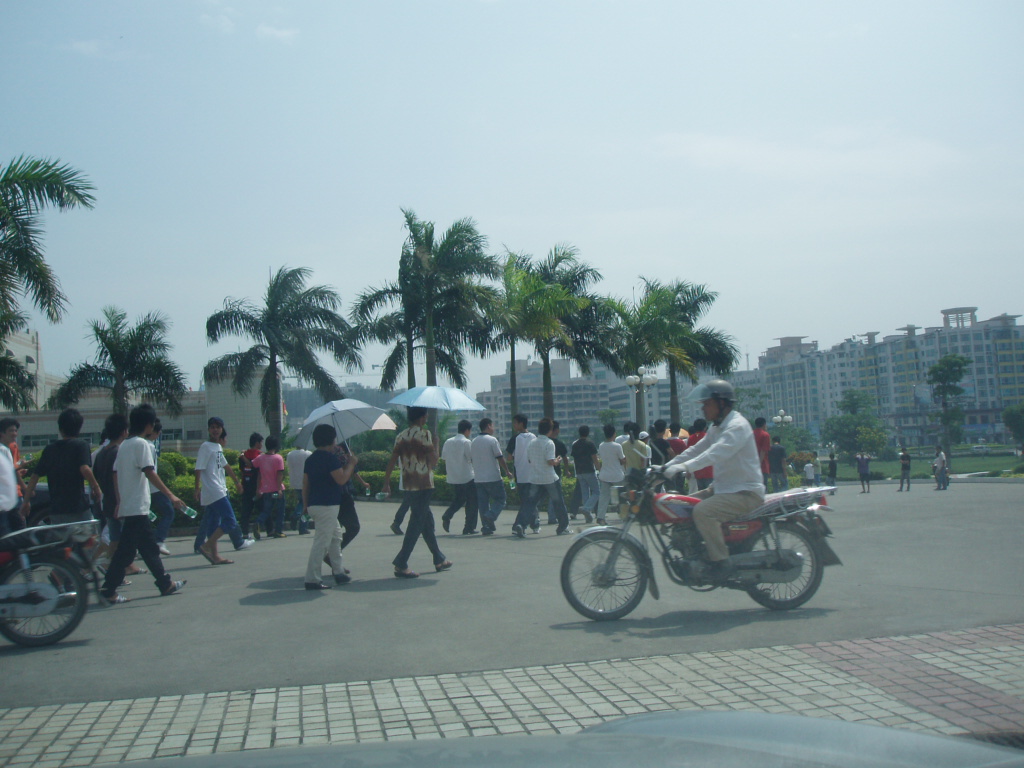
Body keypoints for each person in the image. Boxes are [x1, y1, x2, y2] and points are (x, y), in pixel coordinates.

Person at [660, 380, 765, 583]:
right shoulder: (717, 427)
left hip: (745, 493)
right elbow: (697, 449)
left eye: (707, 404)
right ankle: (699, 552)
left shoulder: (736, 426)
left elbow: (715, 453)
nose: (703, 409)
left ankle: (721, 562)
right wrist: (667, 466)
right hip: (722, 489)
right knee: (681, 505)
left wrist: (683, 467)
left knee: (703, 511)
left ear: (722, 403)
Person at [100, 404, 187, 603]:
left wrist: (119, 501)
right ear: (148, 424)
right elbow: (149, 471)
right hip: (137, 507)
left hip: (130, 505)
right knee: (128, 553)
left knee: (144, 549)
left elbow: (115, 474)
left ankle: (164, 583)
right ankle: (108, 590)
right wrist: (171, 495)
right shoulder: (141, 444)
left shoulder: (124, 445)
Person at [383, 407, 451, 578]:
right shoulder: (424, 434)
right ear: (422, 417)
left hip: (409, 484)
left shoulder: (401, 436)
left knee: (425, 522)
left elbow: (392, 460)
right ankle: (401, 563)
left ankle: (439, 558)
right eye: (426, 415)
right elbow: (434, 461)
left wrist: (386, 483)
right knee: (416, 524)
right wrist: (436, 443)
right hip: (424, 484)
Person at [301, 424, 357, 590]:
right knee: (322, 542)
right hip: (327, 505)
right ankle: (312, 578)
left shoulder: (310, 459)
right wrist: (351, 464)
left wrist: (305, 504)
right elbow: (341, 479)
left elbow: (305, 484)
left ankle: (338, 571)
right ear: (332, 439)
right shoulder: (330, 458)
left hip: (315, 504)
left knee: (335, 537)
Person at [25, 408, 101, 523]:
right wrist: (96, 487)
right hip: (78, 507)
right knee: (86, 534)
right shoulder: (81, 445)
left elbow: (35, 476)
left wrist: (26, 501)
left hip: (57, 509)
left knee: (60, 534)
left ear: (60, 429)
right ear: (79, 428)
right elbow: (84, 469)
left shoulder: (49, 449)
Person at [194, 417, 250, 564]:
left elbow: (225, 466)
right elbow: (198, 468)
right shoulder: (205, 447)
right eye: (212, 427)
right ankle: (206, 546)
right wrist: (197, 488)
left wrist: (237, 482)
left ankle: (215, 556)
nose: (215, 430)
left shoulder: (217, 447)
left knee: (213, 523)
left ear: (222, 429)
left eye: (218, 427)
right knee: (230, 520)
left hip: (218, 489)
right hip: (214, 490)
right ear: (208, 429)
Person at [512, 418, 570, 537]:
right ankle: (562, 527)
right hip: (549, 478)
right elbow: (550, 461)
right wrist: (557, 461)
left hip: (535, 478)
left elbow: (529, 460)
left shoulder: (532, 442)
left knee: (530, 503)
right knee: (558, 503)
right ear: (550, 430)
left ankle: (521, 525)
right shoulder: (549, 443)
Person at [471, 418, 511, 535]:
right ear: (488, 426)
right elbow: (500, 457)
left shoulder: (474, 441)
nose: (493, 428)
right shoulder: (492, 440)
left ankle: (486, 527)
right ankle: (491, 516)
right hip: (493, 477)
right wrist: (507, 471)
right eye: (493, 426)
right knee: (501, 499)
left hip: (478, 478)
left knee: (483, 504)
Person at [440, 420, 478, 535]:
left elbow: (444, 458)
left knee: (459, 499)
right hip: (467, 476)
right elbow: (471, 458)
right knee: (472, 502)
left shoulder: (448, 441)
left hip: (454, 476)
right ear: (467, 430)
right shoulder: (466, 442)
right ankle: (469, 527)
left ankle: (447, 515)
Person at [148, 419, 175, 556]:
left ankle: (143, 545)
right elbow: (150, 471)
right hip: (152, 488)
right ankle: (158, 541)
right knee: (168, 512)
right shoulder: (150, 446)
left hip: (145, 489)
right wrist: (169, 493)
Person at [506, 415, 538, 533]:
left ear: (521, 424)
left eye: (515, 423)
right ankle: (535, 524)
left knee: (526, 501)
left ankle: (519, 525)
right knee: (531, 501)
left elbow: (509, 457)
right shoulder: (534, 437)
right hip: (533, 474)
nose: (514, 425)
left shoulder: (515, 438)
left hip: (520, 475)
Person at [253, 435, 287, 538]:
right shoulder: (278, 458)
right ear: (276, 445)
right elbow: (279, 474)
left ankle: (258, 522)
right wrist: (279, 489)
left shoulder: (260, 458)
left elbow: (256, 469)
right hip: (276, 491)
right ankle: (278, 531)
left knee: (267, 510)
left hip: (266, 490)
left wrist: (258, 488)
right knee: (280, 511)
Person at [596, 424, 625, 525]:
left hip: (605, 475)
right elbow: (622, 460)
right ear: (614, 434)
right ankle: (624, 515)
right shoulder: (617, 446)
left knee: (604, 498)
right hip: (617, 475)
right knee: (622, 497)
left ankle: (600, 517)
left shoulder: (601, 445)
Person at [570, 425, 599, 524]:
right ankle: (586, 508)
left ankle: (588, 517)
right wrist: (599, 468)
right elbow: (594, 458)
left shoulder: (575, 444)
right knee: (596, 492)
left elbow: (574, 458)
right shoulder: (590, 443)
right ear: (588, 433)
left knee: (585, 493)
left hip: (579, 472)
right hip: (589, 470)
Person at [239, 432, 263, 539]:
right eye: (261, 442)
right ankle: (270, 529)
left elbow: (241, 470)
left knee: (245, 511)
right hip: (256, 486)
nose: (261, 445)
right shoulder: (260, 455)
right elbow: (260, 472)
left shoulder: (243, 455)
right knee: (263, 509)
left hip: (245, 485)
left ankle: (244, 532)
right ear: (257, 443)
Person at [548, 420, 571, 527]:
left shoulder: (545, 442)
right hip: (555, 473)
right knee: (555, 496)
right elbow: (565, 458)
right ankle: (553, 517)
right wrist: (567, 470)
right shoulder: (559, 444)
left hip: (543, 473)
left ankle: (536, 518)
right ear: (556, 430)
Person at [286, 445, 312, 534]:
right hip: (306, 482)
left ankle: (296, 515)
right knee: (307, 505)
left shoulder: (290, 454)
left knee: (301, 502)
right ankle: (302, 526)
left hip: (295, 482)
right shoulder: (308, 454)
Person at [686, 419, 714, 491]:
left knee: (701, 491)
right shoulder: (707, 437)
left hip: (697, 471)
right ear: (705, 427)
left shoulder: (690, 439)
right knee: (710, 492)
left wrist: (688, 471)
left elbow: (689, 455)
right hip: (709, 469)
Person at [752, 417, 771, 489]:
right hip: (762, 466)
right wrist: (759, 464)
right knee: (763, 488)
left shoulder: (751, 434)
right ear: (764, 424)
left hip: (751, 465)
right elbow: (763, 451)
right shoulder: (765, 435)